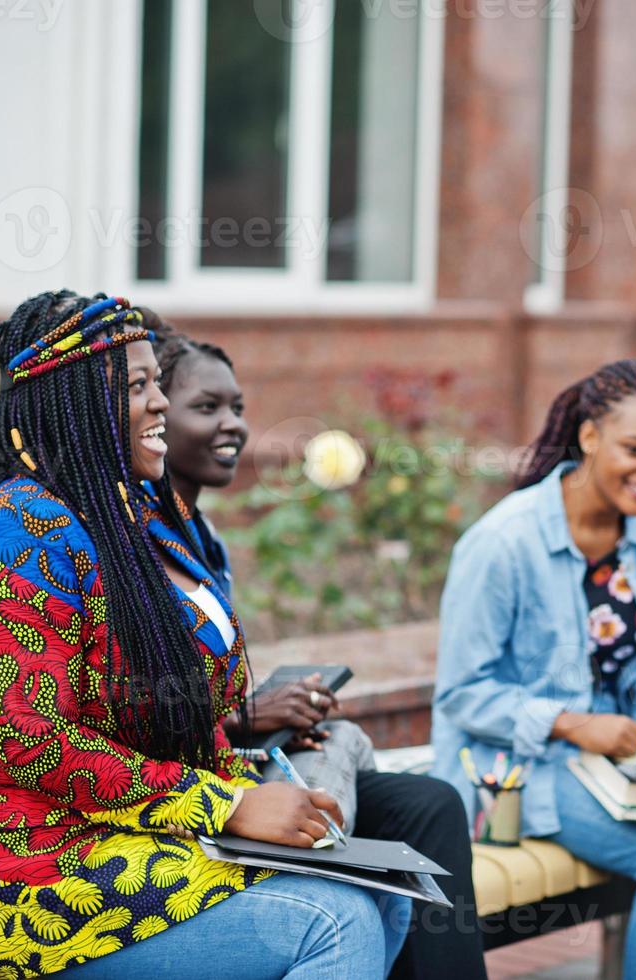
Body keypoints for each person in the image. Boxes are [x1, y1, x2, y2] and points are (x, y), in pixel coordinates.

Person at [0, 291, 407, 979]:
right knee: (334, 921)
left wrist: (249, 783)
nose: (158, 405)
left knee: (385, 899)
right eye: (137, 386)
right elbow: (35, 741)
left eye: (156, 383)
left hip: (139, 829)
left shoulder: (132, 518)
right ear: (77, 399)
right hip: (34, 863)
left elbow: (168, 712)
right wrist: (229, 804)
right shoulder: (19, 528)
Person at [148, 322, 488, 980]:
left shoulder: (202, 538)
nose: (233, 426)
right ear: (151, 416)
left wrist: (265, 717)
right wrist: (242, 722)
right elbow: (134, 721)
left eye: (238, 408)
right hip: (194, 787)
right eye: (207, 407)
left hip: (236, 752)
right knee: (361, 884)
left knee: (430, 805)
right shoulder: (127, 547)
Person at [431, 360, 636, 980]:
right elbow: (461, 694)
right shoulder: (504, 542)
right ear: (588, 437)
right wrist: (570, 723)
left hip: (620, 769)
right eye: (635, 450)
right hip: (512, 773)